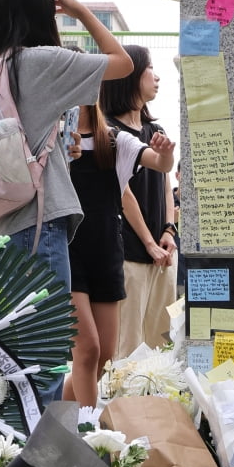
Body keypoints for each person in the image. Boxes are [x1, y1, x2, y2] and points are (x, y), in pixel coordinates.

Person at [0, 0, 133, 298]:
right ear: (41, 12)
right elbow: (123, 63)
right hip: (38, 225)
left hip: (1, 225)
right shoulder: (40, 61)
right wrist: (80, 11)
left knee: (16, 341)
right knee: (44, 343)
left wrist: (57, 148)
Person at [63, 102, 174, 407]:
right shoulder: (50, 138)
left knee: (105, 356)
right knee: (87, 351)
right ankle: (89, 435)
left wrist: (165, 153)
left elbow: (161, 165)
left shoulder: (114, 140)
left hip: (107, 251)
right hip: (65, 251)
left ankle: (57, 421)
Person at [100, 48, 177, 355]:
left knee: (162, 343)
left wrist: (169, 231)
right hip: (128, 254)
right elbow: (122, 193)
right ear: (129, 76)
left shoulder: (155, 131)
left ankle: (157, 402)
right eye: (149, 69)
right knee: (127, 346)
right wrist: (148, 242)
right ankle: (124, 404)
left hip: (163, 253)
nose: (156, 76)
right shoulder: (107, 130)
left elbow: (165, 181)